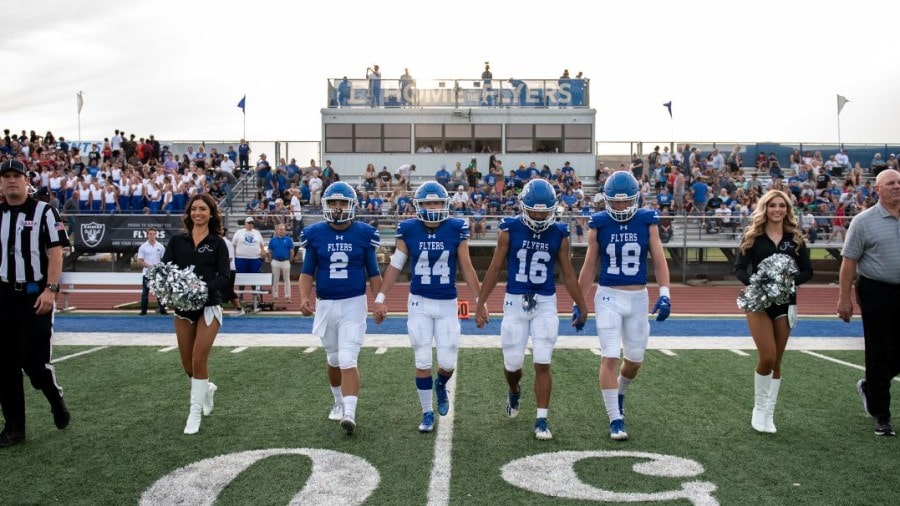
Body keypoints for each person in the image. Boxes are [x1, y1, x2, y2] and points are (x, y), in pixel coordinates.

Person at [474, 179, 588, 440]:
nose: (538, 215)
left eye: (544, 211)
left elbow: (568, 274)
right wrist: (481, 302)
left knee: (543, 361)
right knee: (513, 364)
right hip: (514, 301)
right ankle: (514, 390)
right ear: (523, 207)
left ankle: (541, 419)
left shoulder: (559, 233)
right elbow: (494, 269)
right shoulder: (509, 230)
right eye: (534, 210)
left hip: (546, 302)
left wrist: (582, 305)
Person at [372, 182, 482, 433]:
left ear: (445, 205)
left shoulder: (456, 228)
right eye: (427, 204)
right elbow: (396, 266)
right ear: (418, 206)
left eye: (436, 203)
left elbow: (466, 268)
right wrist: (379, 298)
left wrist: (480, 301)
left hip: (446, 303)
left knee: (447, 362)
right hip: (419, 302)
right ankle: (427, 412)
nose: (432, 208)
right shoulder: (409, 229)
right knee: (422, 358)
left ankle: (441, 385)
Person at [576, 171, 672, 441]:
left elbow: (659, 259)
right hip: (608, 296)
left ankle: (620, 391)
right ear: (606, 200)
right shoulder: (599, 223)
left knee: (634, 362)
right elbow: (589, 265)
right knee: (609, 356)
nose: (620, 206)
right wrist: (579, 303)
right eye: (615, 202)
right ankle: (615, 419)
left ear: (636, 199)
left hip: (638, 297)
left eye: (625, 201)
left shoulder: (647, 221)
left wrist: (664, 294)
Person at [299, 181, 383, 435]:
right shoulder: (315, 234)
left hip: (354, 303)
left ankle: (350, 411)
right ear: (325, 205)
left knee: (348, 357)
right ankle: (337, 400)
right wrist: (303, 297)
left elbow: (374, 273)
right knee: (333, 359)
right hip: (326, 304)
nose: (337, 207)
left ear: (352, 205)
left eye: (342, 202)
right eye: (333, 202)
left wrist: (379, 301)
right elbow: (306, 272)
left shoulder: (364, 233)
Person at [0, 159, 71, 448]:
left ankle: (54, 397)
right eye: (5, 176)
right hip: (3, 296)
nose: (11, 180)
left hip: (34, 296)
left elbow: (56, 252)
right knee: (4, 367)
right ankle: (15, 428)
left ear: (26, 180)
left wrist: (50, 289)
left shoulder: (44, 211)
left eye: (16, 175)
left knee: (33, 363)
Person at [733, 190, 813, 434]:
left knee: (777, 361)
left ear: (787, 210)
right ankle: (758, 409)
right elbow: (738, 269)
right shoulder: (753, 237)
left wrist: (787, 282)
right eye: (772, 206)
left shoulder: (796, 239)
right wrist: (758, 283)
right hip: (758, 302)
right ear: (765, 209)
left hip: (785, 303)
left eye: (781, 206)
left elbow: (808, 271)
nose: (777, 210)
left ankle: (769, 413)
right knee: (767, 356)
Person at [157, 193, 230, 435]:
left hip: (209, 306)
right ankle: (206, 388)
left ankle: (194, 412)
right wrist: (171, 289)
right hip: (183, 309)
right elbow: (165, 271)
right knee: (188, 366)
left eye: (203, 209)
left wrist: (202, 288)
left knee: (199, 360)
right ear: (189, 213)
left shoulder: (218, 243)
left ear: (211, 213)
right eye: (194, 209)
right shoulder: (178, 241)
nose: (198, 213)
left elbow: (224, 276)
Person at [838, 169, 900, 437]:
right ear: (877, 189)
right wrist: (844, 298)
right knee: (878, 351)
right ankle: (882, 415)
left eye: (899, 182)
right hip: (876, 291)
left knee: (892, 353)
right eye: (891, 183)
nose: (897, 186)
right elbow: (849, 261)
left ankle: (871, 387)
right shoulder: (863, 222)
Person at [232, 217, 265, 303]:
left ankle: (255, 296)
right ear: (245, 223)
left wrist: (262, 252)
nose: (250, 225)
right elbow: (234, 245)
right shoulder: (239, 232)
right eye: (248, 223)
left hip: (254, 259)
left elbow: (262, 245)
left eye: (251, 223)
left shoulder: (257, 233)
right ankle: (241, 296)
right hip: (241, 258)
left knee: (254, 277)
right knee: (241, 277)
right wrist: (234, 257)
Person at [138, 227, 168, 315]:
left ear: (156, 235)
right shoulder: (143, 247)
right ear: (147, 235)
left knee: (160, 292)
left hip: (158, 274)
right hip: (147, 274)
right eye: (150, 234)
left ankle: (162, 310)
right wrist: (150, 267)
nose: (152, 236)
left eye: (153, 234)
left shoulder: (161, 247)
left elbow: (164, 260)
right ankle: (143, 311)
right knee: (145, 293)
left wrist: (160, 268)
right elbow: (140, 261)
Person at [267, 223, 294, 304]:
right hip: (275, 261)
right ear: (277, 230)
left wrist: (290, 260)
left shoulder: (289, 239)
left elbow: (291, 251)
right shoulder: (272, 240)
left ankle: (288, 297)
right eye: (280, 229)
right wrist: (271, 261)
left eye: (283, 229)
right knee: (275, 280)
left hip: (285, 261)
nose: (282, 231)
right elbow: (269, 251)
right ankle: (275, 297)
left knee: (287, 280)